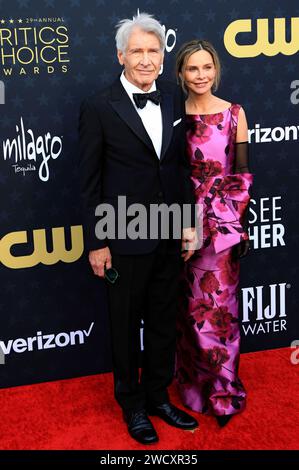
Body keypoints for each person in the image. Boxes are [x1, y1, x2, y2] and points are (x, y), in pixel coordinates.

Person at [78, 13, 198, 444]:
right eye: (137, 51)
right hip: (123, 234)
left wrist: (187, 223)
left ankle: (158, 396)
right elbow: (90, 182)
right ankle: (132, 406)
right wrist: (97, 243)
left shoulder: (172, 97)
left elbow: (180, 168)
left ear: (163, 57)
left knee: (165, 320)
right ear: (120, 55)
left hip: (168, 230)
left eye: (153, 51)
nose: (146, 60)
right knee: (125, 324)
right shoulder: (97, 106)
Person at [174, 40, 253, 427]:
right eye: (193, 69)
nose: (201, 75)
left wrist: (238, 227)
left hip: (223, 226)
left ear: (216, 70)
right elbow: (169, 175)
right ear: (181, 74)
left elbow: (240, 177)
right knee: (190, 310)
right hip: (182, 221)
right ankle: (192, 384)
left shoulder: (235, 114)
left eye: (207, 67)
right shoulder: (173, 114)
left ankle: (222, 387)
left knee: (222, 309)